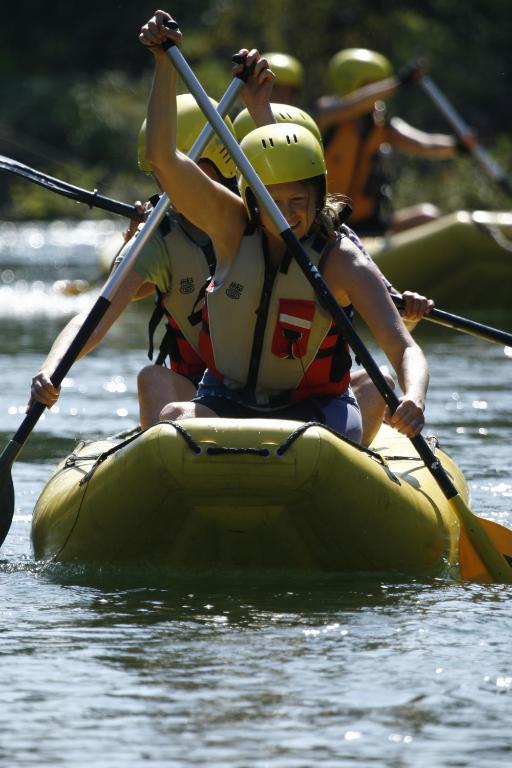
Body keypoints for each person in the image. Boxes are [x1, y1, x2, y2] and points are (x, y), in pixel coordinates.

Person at [138, 11, 430, 443]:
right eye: (274, 201)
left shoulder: (341, 257)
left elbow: (404, 346)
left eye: (300, 201)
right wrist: (164, 65)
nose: (287, 213)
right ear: (252, 197)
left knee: (326, 435)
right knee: (176, 415)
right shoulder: (231, 225)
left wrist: (415, 397)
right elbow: (164, 157)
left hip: (317, 409)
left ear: (319, 197)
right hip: (228, 400)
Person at [28, 59, 275, 429]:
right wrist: (51, 368)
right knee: (152, 378)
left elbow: (285, 184)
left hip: (275, 388)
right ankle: (173, 463)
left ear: (219, 165)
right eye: (161, 175)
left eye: (178, 170)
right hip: (201, 395)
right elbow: (94, 317)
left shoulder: (258, 221)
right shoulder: (158, 238)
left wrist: (260, 110)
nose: (168, 185)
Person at [314, 48, 460, 235]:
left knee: (428, 216)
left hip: (368, 224)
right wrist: (398, 82)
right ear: (349, 84)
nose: (379, 95)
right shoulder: (328, 115)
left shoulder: (381, 125)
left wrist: (459, 145)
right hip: (326, 224)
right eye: (371, 87)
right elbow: (351, 105)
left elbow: (425, 144)